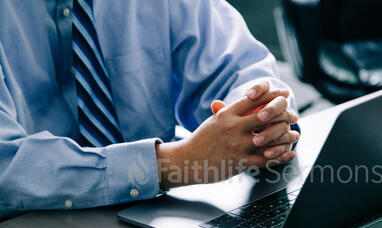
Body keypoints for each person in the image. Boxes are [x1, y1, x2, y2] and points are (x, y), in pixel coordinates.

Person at [0, 0, 300, 215]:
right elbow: (5, 166)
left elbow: (239, 65)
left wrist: (259, 123)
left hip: (156, 218)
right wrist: (174, 163)